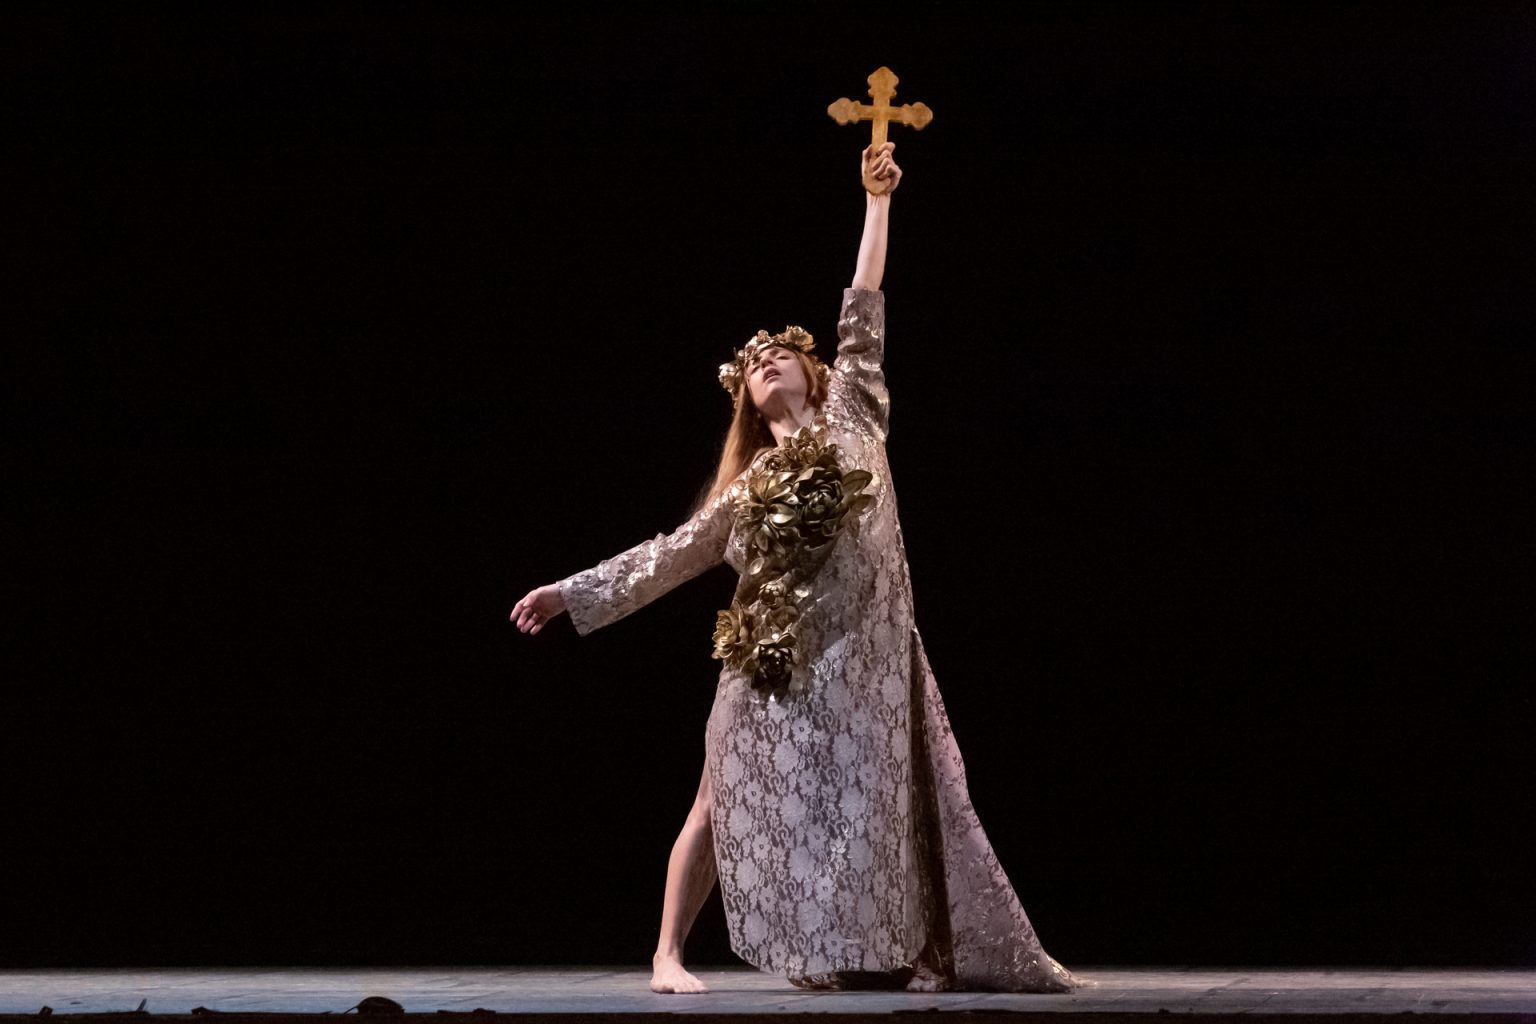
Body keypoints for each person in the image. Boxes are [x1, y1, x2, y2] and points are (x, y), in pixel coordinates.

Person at [511, 143, 1085, 995]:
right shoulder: (744, 490)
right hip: (772, 658)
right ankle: (668, 954)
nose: (764, 364)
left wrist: (877, 202)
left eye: (778, 355)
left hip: (866, 651)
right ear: (742, 398)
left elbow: (863, 306)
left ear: (813, 373)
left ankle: (929, 947)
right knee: (717, 797)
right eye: (750, 367)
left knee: (897, 795)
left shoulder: (855, 410)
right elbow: (668, 557)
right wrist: (570, 593)